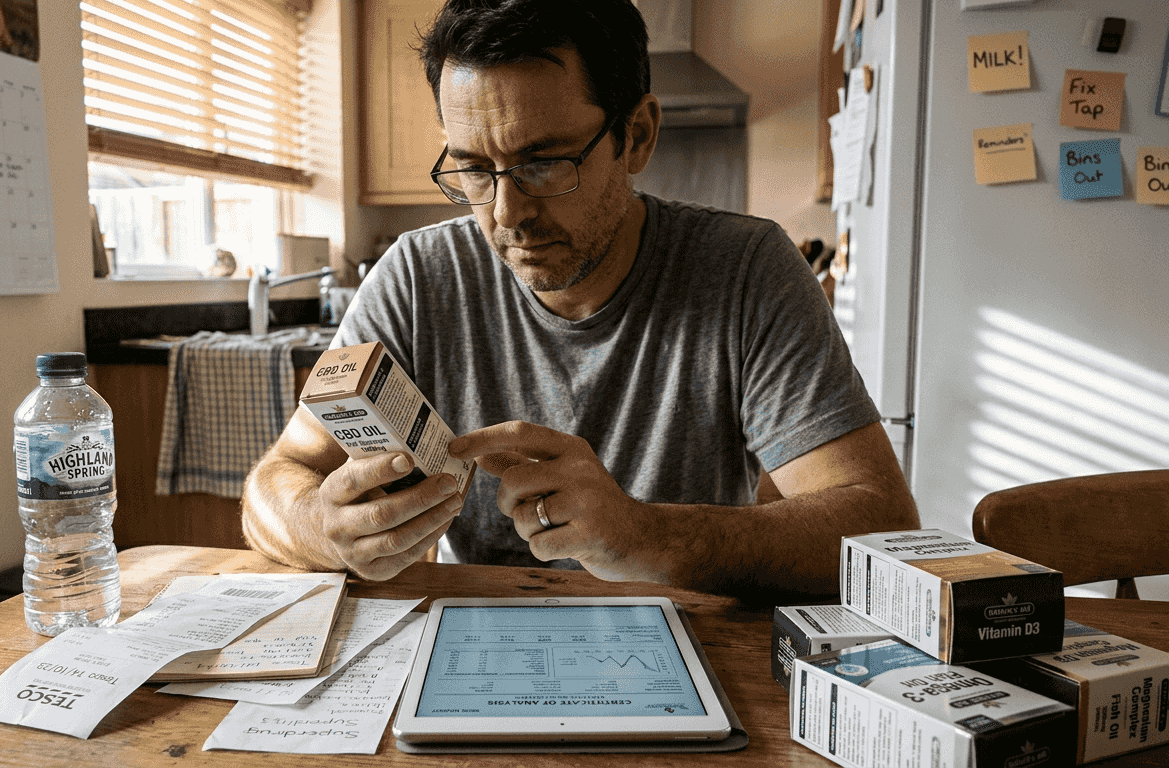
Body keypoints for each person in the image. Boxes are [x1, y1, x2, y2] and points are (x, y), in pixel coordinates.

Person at [241, 0, 918, 599]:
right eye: (474, 168)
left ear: (637, 135)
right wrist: (325, 528)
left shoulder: (744, 271)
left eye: (543, 163)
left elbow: (881, 529)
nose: (506, 213)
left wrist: (643, 534)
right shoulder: (418, 277)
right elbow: (278, 483)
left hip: (684, 648)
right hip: (478, 642)